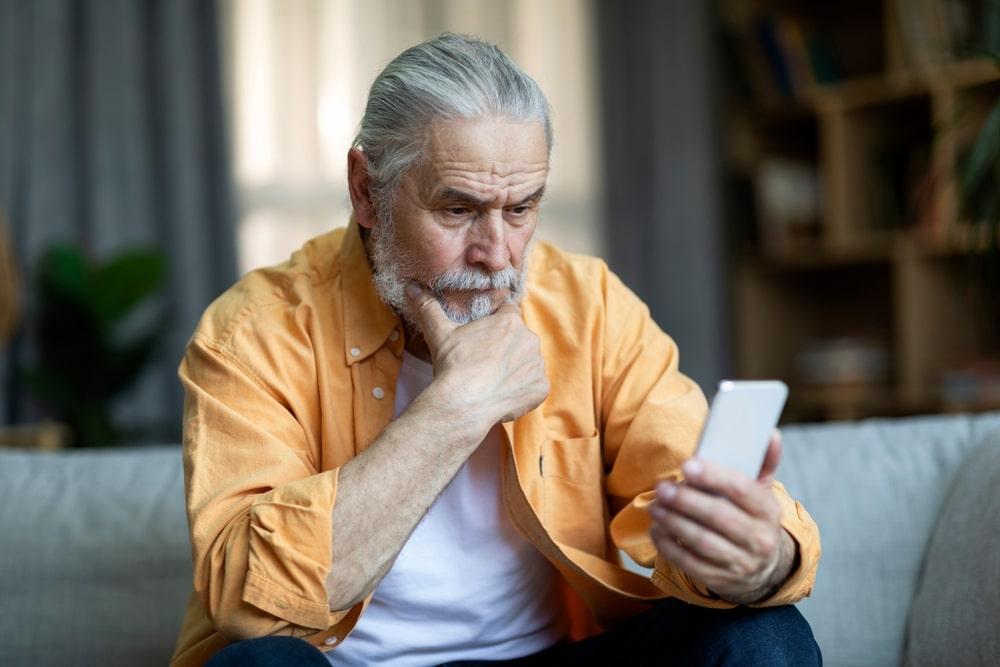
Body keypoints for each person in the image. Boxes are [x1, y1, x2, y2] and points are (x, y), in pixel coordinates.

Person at [170, 34, 821, 667]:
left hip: (547, 655)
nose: (497, 254)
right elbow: (248, 602)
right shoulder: (254, 329)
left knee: (764, 632)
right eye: (457, 210)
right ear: (366, 190)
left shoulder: (587, 305)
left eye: (521, 207)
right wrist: (454, 408)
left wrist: (759, 556)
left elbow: (680, 485)